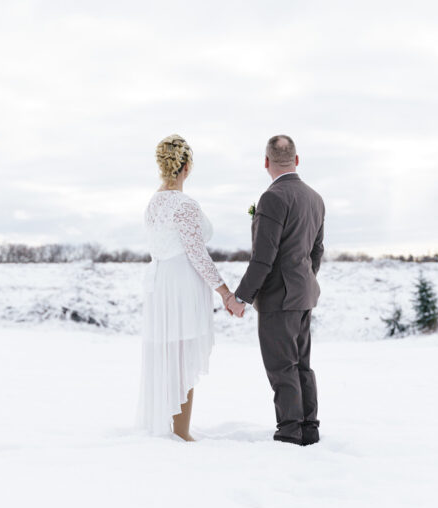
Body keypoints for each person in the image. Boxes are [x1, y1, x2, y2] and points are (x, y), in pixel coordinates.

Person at [136, 134, 244, 441]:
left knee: (170, 354)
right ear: (187, 167)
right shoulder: (183, 204)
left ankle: (171, 427)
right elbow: (197, 253)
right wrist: (225, 292)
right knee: (181, 356)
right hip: (180, 285)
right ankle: (181, 433)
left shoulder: (153, 203)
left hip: (161, 285)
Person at [229, 134, 325, 446]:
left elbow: (262, 258)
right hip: (303, 294)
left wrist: (240, 297)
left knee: (282, 368)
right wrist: (304, 280)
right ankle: (308, 429)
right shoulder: (315, 198)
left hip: (279, 299)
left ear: (266, 163)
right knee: (301, 366)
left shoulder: (273, 198)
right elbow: (317, 251)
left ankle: (289, 433)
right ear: (296, 160)